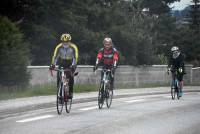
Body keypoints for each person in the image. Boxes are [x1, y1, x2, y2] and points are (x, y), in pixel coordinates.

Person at [49, 33, 78, 99]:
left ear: (69, 41)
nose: (65, 43)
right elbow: (55, 57)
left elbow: (75, 57)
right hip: (62, 62)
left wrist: (73, 65)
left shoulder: (73, 47)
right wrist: (53, 64)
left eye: (67, 42)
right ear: (61, 41)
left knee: (70, 77)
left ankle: (70, 92)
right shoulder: (58, 47)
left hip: (71, 63)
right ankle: (59, 92)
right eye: (64, 42)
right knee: (59, 77)